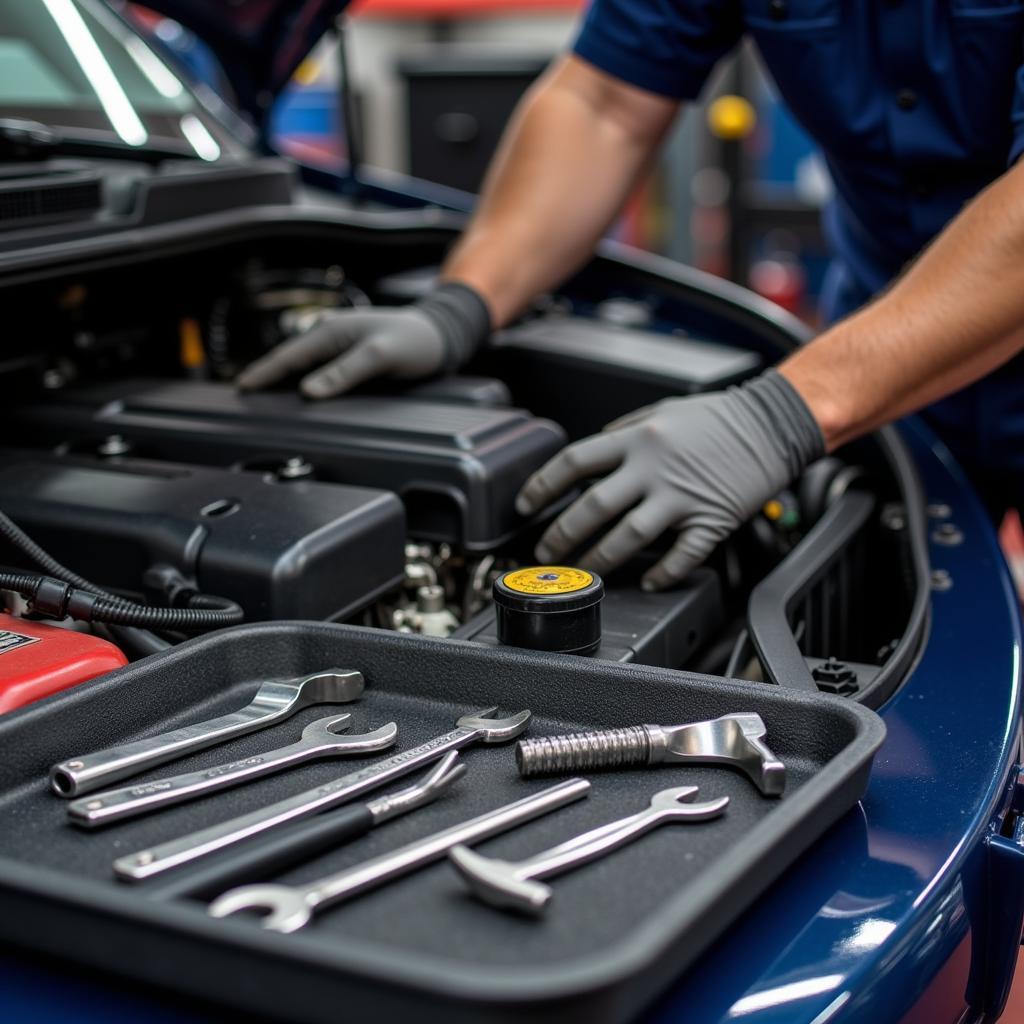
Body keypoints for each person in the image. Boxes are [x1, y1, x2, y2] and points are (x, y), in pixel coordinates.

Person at [238, 1, 1024, 592]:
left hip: (887, 361)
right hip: (895, 346)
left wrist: (780, 415)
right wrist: (463, 303)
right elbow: (604, 105)